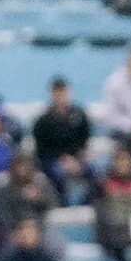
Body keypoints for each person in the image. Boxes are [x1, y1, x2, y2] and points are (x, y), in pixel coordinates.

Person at [32, 77, 94, 205]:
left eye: (63, 93)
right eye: (57, 93)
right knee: (57, 173)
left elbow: (85, 138)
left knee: (93, 170)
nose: (60, 97)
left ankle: (89, 202)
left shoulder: (79, 115)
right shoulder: (44, 120)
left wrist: (79, 157)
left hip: (77, 158)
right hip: (52, 159)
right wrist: (62, 159)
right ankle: (61, 203)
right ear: (52, 94)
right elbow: (42, 148)